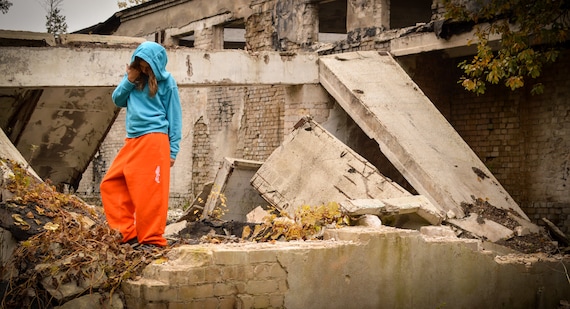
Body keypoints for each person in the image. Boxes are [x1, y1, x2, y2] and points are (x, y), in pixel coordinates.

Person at [100, 41, 182, 249]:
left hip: (154, 139)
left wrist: (172, 151)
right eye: (141, 63)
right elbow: (117, 99)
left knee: (150, 193)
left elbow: (175, 117)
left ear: (156, 63)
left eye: (148, 64)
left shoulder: (167, 81)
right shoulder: (133, 79)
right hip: (133, 139)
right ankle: (126, 234)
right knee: (111, 183)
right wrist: (129, 79)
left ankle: (152, 240)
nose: (144, 68)